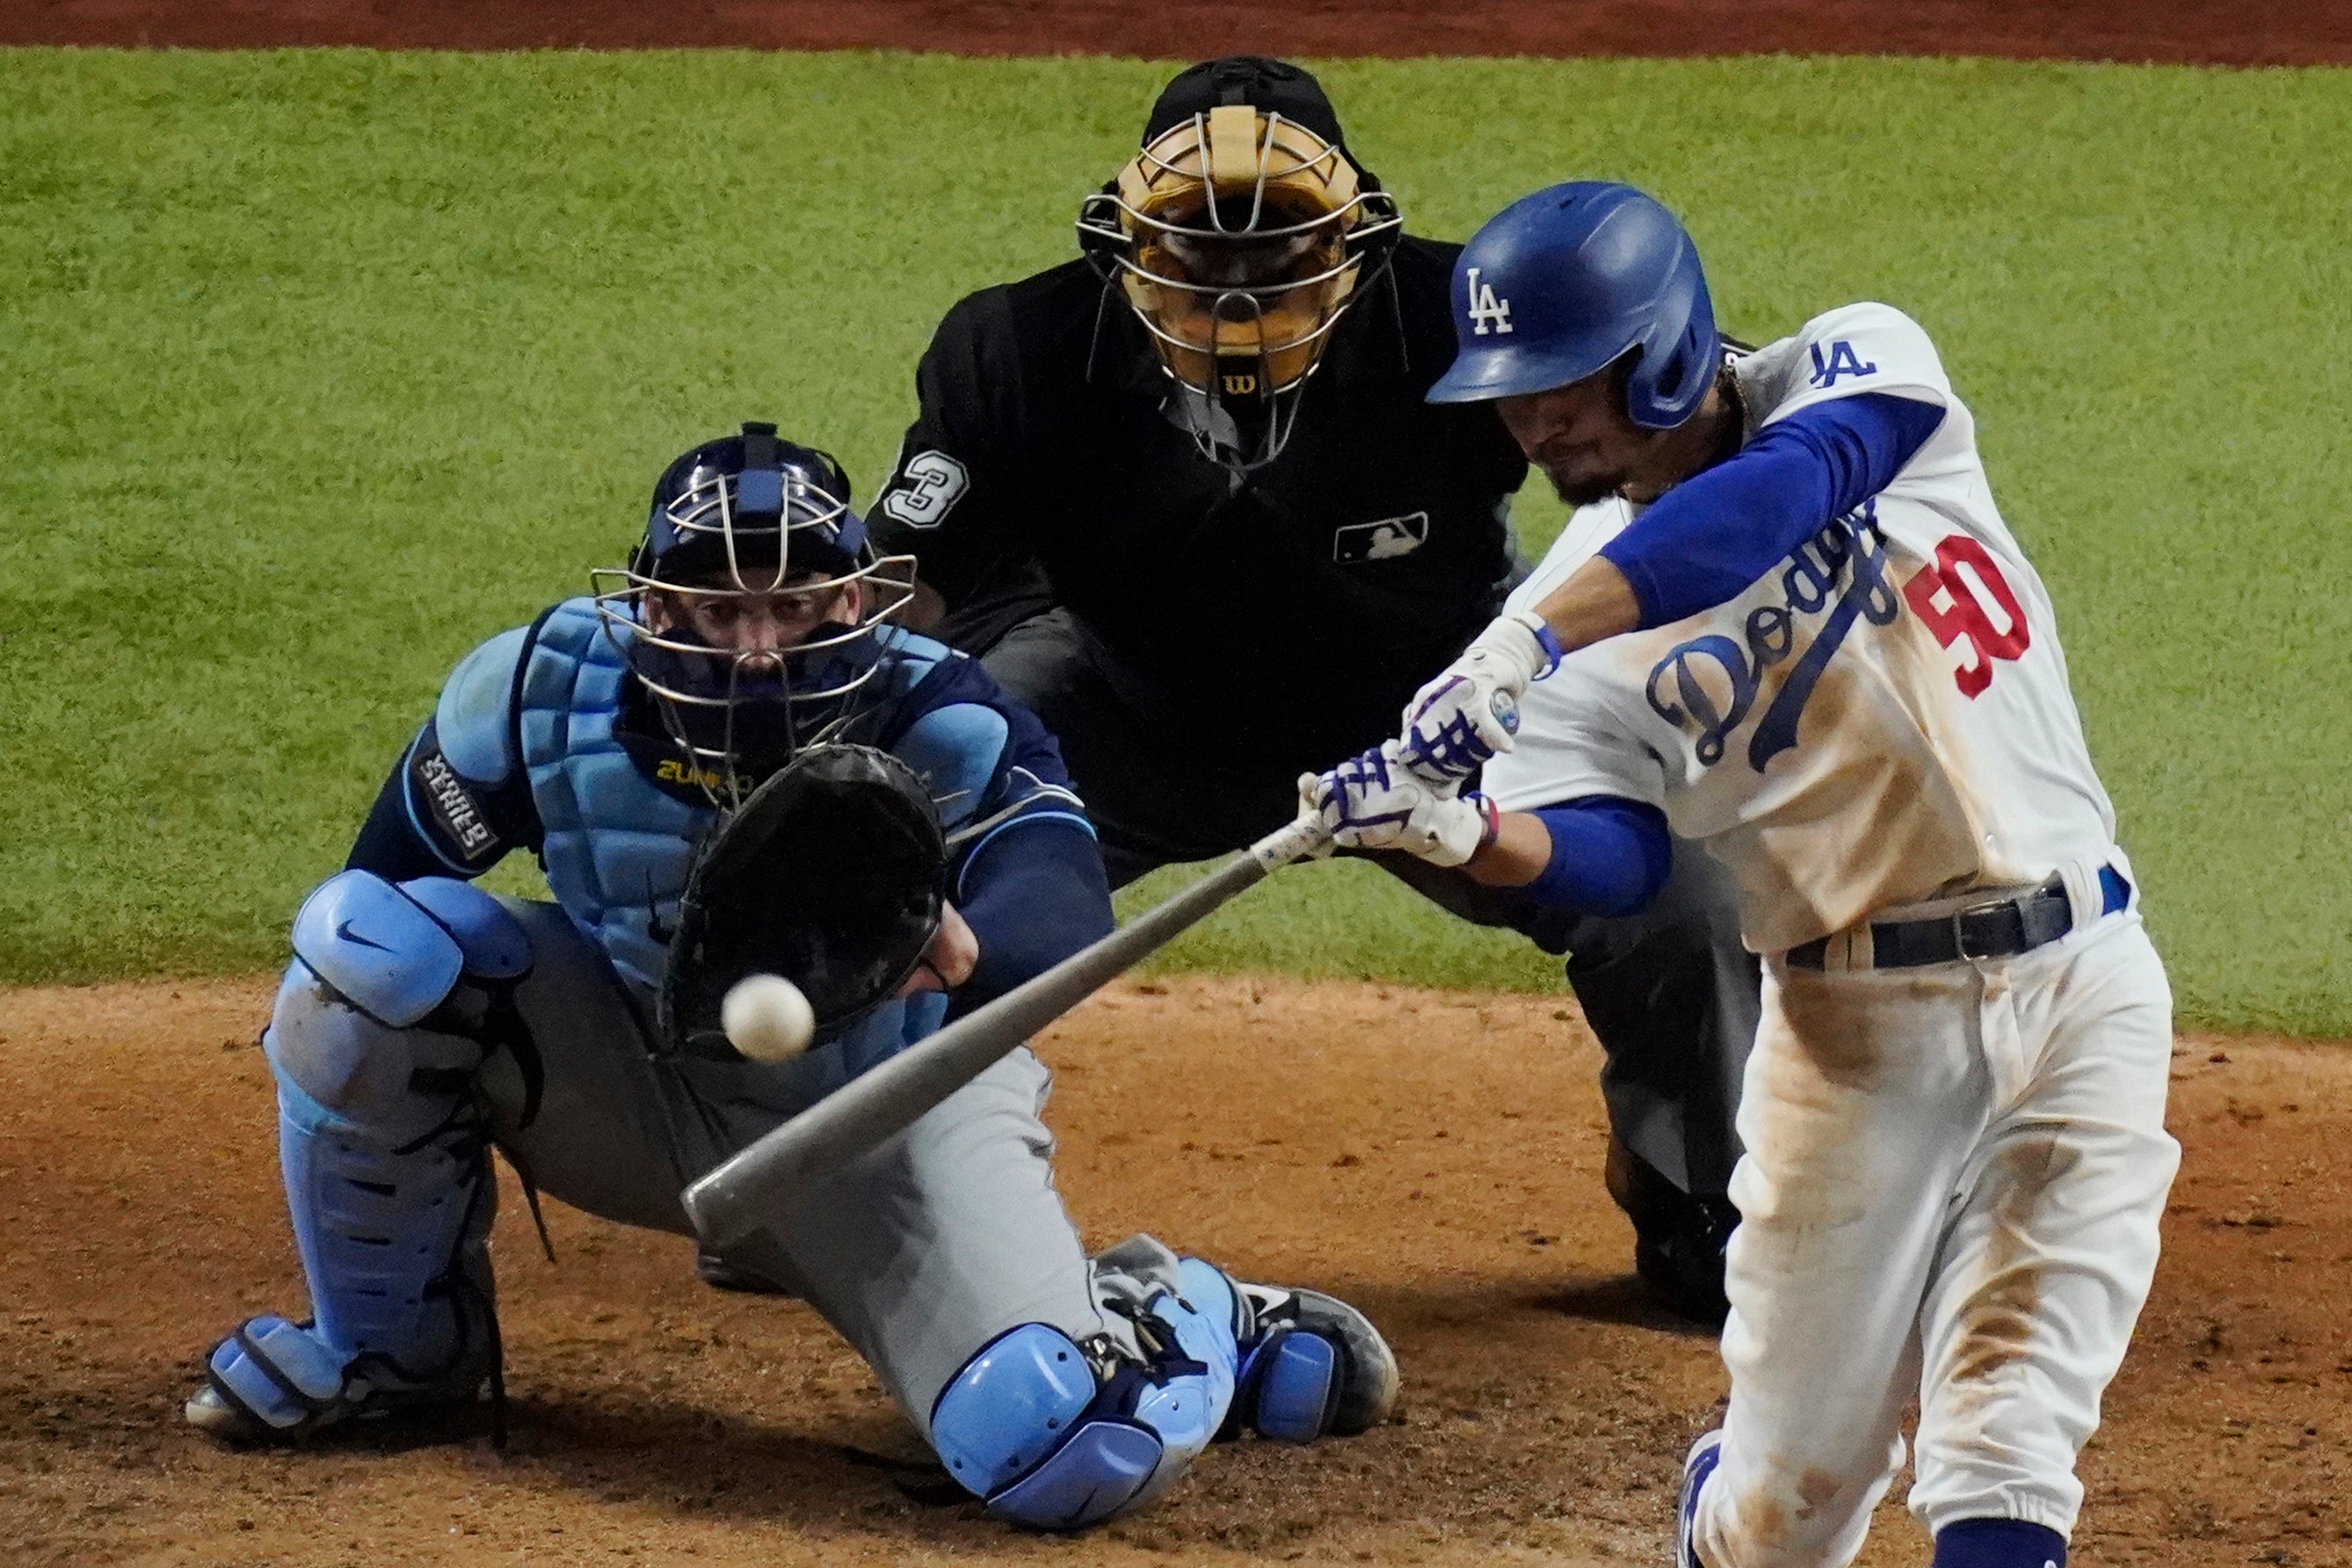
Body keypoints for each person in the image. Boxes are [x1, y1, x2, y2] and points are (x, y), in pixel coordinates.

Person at [185, 423, 1398, 1530]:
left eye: (798, 606)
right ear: (652, 603)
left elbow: (1058, 899)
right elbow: (380, 889)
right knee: (366, 955)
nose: (758, 648)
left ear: (856, 603)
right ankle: (397, 1351)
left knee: (1057, 1449)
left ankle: (1175, 1312)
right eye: (717, 608)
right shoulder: (534, 695)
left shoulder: (943, 717)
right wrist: (344, 1037)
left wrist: (956, 942)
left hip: (886, 1119)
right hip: (642, 1087)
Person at [1304, 183, 2176, 1568]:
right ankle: (1722, 1516)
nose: (1537, 425)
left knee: (2009, 1444)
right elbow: (1621, 857)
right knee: (1788, 1517)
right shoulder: (1556, 633)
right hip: (1856, 1047)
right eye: (1512, 397)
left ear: (1659, 340)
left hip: (2085, 985)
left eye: (1562, 382)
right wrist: (1463, 836)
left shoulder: (1855, 366)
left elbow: (1778, 496)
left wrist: (1518, 653)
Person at [867, 54, 1759, 1321]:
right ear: (1127, 237)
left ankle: (1703, 1200)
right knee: (895, 830)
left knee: (1681, 889)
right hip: (1118, 708)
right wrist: (823, 699)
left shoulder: (1458, 311)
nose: (1237, 279)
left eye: (1279, 242)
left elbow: (1680, 426)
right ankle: (842, 1174)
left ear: (1358, 236)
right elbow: (910, 583)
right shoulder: (1018, 346)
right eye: (1194, 242)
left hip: (1424, 716)